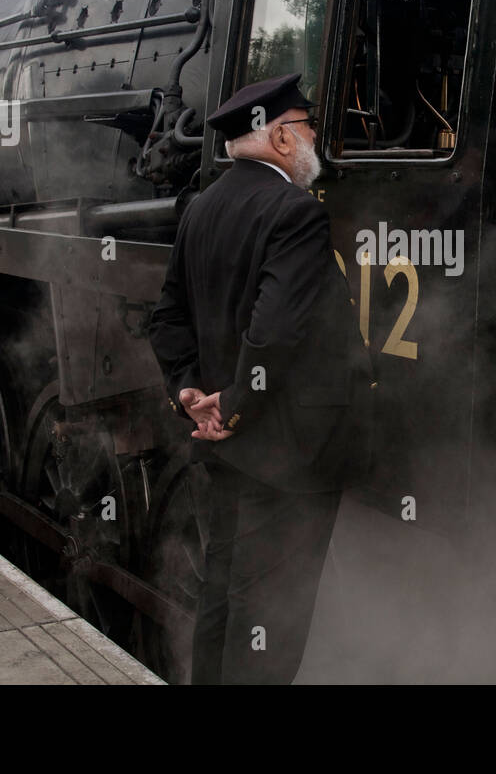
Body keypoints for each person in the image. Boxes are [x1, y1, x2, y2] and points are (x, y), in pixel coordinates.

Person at [148, 72, 372, 684]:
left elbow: (166, 317)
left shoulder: (201, 208)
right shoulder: (295, 212)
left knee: (221, 598)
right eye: (308, 129)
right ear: (279, 137)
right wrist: (238, 407)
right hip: (290, 457)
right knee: (271, 622)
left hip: (227, 451)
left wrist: (189, 393)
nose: (315, 141)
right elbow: (275, 333)